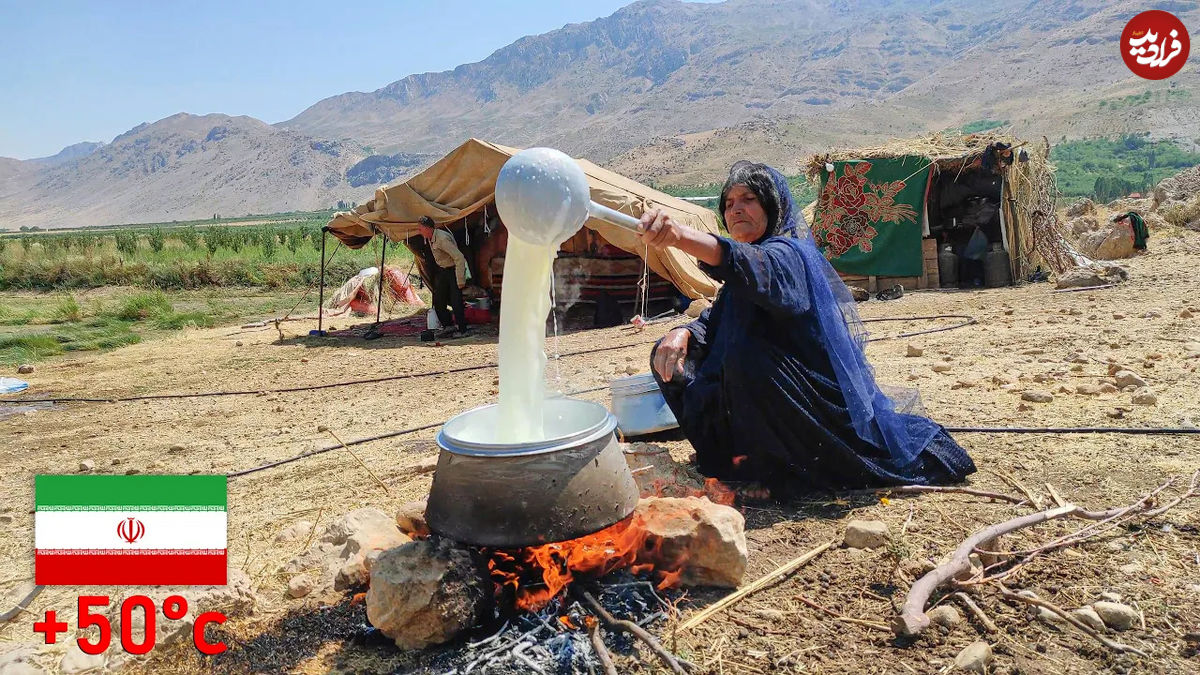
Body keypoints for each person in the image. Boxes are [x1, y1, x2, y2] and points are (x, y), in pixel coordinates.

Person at [638, 161, 976, 497]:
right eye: (729, 203)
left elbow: (753, 267)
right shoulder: (742, 272)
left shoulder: (787, 255)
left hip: (810, 404)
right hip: (761, 397)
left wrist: (679, 236)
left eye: (748, 199)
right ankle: (732, 460)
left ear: (771, 205)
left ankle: (780, 473)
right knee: (669, 355)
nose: (736, 209)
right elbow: (719, 317)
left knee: (747, 355)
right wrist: (682, 332)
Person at [418, 215, 469, 337]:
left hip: (453, 270)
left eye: (420, 228)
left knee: (456, 301)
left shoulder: (442, 239)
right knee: (439, 299)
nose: (419, 231)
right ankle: (448, 326)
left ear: (427, 228)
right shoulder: (430, 238)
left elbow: (459, 257)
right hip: (444, 270)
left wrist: (460, 279)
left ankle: (463, 330)